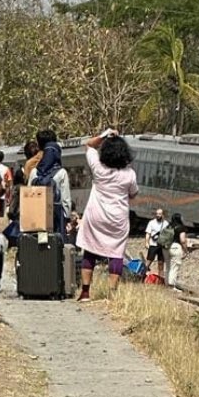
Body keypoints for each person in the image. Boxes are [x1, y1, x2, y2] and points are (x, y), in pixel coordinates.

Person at [76, 129, 138, 302]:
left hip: (96, 215)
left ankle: (86, 292)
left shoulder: (98, 167)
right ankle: (112, 294)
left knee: (90, 251)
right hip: (118, 219)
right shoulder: (129, 174)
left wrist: (105, 135)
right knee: (116, 253)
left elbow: (88, 144)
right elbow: (133, 193)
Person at [30, 130, 72, 241]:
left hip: (36, 217)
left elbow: (28, 195)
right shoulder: (61, 173)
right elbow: (66, 200)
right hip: (56, 218)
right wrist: (67, 218)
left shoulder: (34, 172)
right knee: (55, 246)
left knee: (38, 244)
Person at [164, 213, 188, 289]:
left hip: (166, 247)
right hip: (175, 247)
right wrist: (186, 250)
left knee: (168, 266)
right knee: (174, 267)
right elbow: (183, 240)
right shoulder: (181, 227)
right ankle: (171, 286)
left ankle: (166, 284)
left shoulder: (168, 226)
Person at [145, 208, 168, 277]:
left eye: (159, 214)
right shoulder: (151, 222)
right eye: (157, 214)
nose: (158, 215)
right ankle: (143, 273)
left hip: (162, 245)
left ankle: (161, 277)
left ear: (163, 215)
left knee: (161, 262)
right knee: (149, 260)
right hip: (153, 244)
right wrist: (147, 242)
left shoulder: (166, 223)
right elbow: (148, 233)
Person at [0, 150, 13, 216]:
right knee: (0, 214)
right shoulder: (6, 169)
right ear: (2, 158)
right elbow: (8, 184)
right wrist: (8, 197)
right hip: (2, 194)